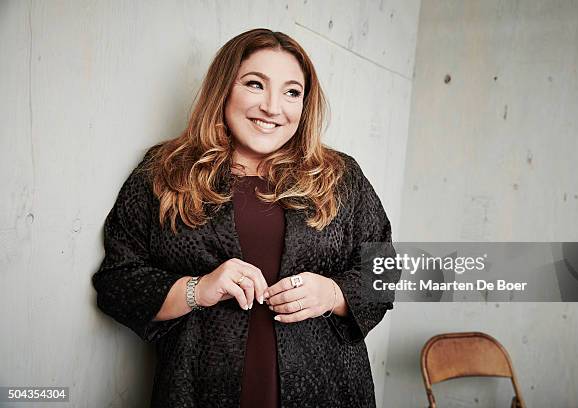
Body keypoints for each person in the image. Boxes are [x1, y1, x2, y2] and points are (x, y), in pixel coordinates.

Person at [92, 28, 398, 408]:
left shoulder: (339, 176)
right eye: (255, 84)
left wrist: (333, 294)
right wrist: (199, 289)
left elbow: (384, 272)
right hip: (199, 392)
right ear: (224, 88)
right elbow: (117, 282)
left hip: (328, 391)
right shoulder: (165, 172)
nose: (273, 107)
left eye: (291, 92)